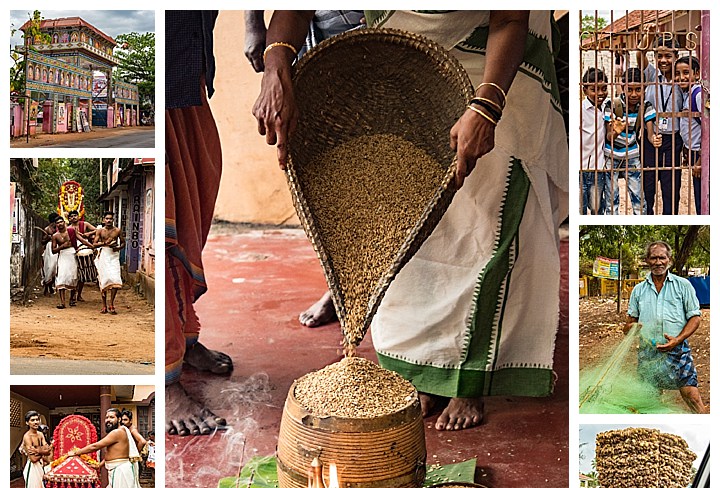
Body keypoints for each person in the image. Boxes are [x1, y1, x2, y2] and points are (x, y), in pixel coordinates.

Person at [254, 10, 568, 430]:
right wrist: (276, 66)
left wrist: (487, 105)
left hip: (493, 61)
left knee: (485, 219)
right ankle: (424, 369)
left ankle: (467, 381)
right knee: (405, 228)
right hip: (401, 59)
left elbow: (509, 19)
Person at [244, 10, 365, 329]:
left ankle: (375, 288)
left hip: (396, 30)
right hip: (319, 34)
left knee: (381, 172)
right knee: (330, 176)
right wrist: (255, 25)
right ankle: (341, 289)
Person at [166, 10, 233, 436]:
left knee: (192, 216)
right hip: (155, 92)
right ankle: (165, 379)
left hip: (186, 80)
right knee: (165, 229)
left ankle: (184, 341)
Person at [623, 241, 706, 413]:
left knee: (691, 394)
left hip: (677, 348)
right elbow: (630, 322)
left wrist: (678, 340)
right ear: (647, 260)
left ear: (670, 260)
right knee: (651, 397)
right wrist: (630, 328)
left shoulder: (683, 285)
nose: (658, 262)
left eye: (662, 257)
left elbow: (695, 318)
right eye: (653, 258)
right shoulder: (638, 290)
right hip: (648, 351)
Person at [637, 32, 684, 215]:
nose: (663, 60)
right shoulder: (651, 75)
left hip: (673, 139)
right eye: (659, 56)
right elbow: (640, 55)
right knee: (648, 185)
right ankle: (647, 214)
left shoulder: (682, 79)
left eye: (668, 56)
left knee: (670, 185)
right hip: (650, 138)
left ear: (676, 57)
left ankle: (669, 215)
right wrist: (646, 40)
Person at [603, 68, 661, 215]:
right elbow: (609, 136)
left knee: (638, 199)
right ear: (623, 87)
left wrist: (654, 139)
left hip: (632, 156)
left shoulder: (646, 106)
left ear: (644, 88)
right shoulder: (613, 105)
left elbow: (649, 134)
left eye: (638, 89)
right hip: (611, 156)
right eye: (630, 90)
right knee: (612, 198)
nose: (634, 94)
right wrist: (616, 132)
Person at [67, 408, 141, 488]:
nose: (108, 420)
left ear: (119, 419)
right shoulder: (119, 431)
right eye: (106, 417)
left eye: (111, 417)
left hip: (121, 471)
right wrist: (99, 465)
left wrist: (76, 452)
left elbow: (95, 446)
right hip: (117, 470)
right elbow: (111, 454)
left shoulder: (117, 432)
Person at [675, 55, 703, 215]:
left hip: (701, 155)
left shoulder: (698, 95)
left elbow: (710, 130)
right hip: (692, 152)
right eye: (677, 74)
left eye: (686, 72)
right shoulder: (687, 93)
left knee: (702, 195)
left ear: (697, 73)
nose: (681, 78)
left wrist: (700, 159)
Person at [581, 67, 609, 215]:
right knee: (580, 209)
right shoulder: (580, 111)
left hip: (598, 169)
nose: (600, 93)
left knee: (596, 209)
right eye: (594, 89)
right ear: (585, 90)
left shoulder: (608, 108)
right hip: (581, 168)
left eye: (604, 88)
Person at [93, 211, 125, 314]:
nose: (108, 220)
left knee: (115, 279)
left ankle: (111, 304)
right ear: (103, 220)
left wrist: (117, 248)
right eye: (107, 218)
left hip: (113, 255)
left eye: (110, 219)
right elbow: (94, 244)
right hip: (103, 255)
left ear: (113, 220)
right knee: (104, 279)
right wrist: (104, 243)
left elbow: (123, 242)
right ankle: (104, 305)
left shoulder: (117, 230)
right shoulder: (100, 231)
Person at [21, 411, 51, 488]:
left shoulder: (40, 434)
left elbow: (48, 451)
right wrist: (43, 451)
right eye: (32, 420)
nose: (35, 422)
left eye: (37, 420)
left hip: (41, 466)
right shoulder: (27, 437)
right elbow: (33, 459)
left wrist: (37, 450)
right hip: (32, 468)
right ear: (27, 423)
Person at [67, 209, 97, 303]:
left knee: (82, 273)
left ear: (78, 216)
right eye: (71, 216)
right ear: (69, 219)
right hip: (74, 250)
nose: (73, 217)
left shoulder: (85, 224)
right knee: (74, 273)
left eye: (75, 215)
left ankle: (79, 294)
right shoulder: (69, 228)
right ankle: (73, 295)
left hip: (85, 248)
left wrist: (88, 234)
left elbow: (97, 230)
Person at [120, 409, 146, 488]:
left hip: (132, 460)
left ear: (130, 421)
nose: (123, 422)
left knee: (133, 482)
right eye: (122, 420)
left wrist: (135, 453)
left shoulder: (132, 429)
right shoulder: (123, 429)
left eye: (125, 420)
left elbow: (142, 441)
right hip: (130, 461)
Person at [51, 218, 77, 309]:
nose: (60, 224)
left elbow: (81, 239)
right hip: (63, 256)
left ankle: (72, 299)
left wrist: (91, 246)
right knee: (61, 277)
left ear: (64, 222)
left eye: (61, 222)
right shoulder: (55, 236)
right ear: (56, 225)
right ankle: (62, 302)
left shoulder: (71, 231)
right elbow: (53, 251)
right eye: (57, 223)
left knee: (73, 277)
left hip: (72, 255)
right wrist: (62, 246)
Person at [41, 213, 61, 296]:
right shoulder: (47, 229)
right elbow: (42, 242)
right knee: (49, 268)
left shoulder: (60, 228)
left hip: (57, 248)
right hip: (49, 250)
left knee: (55, 268)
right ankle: (46, 287)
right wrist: (48, 238)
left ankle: (50, 286)